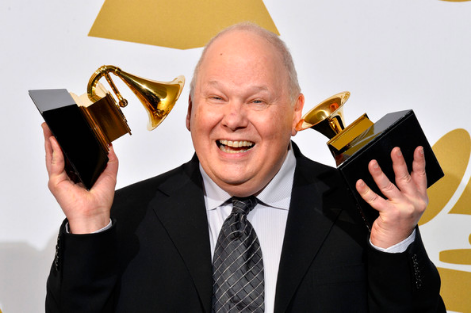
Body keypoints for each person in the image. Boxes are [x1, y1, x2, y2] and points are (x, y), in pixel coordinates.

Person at [42, 23, 445, 312]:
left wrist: (394, 242)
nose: (233, 120)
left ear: (295, 112)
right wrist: (89, 226)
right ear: (190, 112)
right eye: (216, 98)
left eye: (257, 101)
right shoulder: (119, 218)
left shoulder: (367, 215)